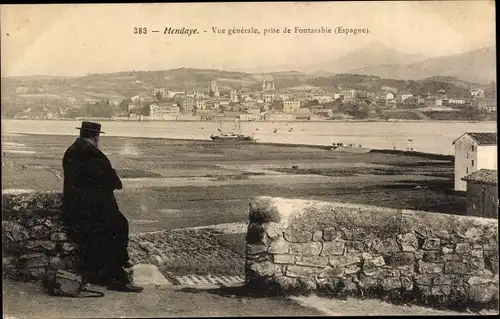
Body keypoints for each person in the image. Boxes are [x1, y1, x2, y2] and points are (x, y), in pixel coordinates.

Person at [61, 121, 143, 293]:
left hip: (75, 207)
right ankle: (116, 277)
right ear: (96, 137)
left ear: (82, 133)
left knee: (112, 228)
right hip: (91, 210)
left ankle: (103, 272)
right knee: (118, 227)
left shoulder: (71, 151)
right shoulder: (92, 155)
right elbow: (114, 182)